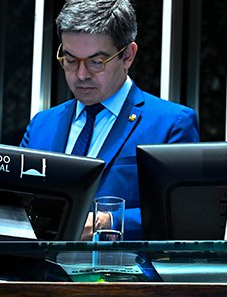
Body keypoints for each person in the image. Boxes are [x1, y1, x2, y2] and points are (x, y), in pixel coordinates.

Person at [19, 0, 199, 240]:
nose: (81, 75)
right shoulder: (42, 124)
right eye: (71, 60)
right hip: (40, 273)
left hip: (123, 273)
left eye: (96, 62)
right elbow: (15, 202)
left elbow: (184, 215)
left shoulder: (171, 124)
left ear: (127, 55)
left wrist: (110, 219)